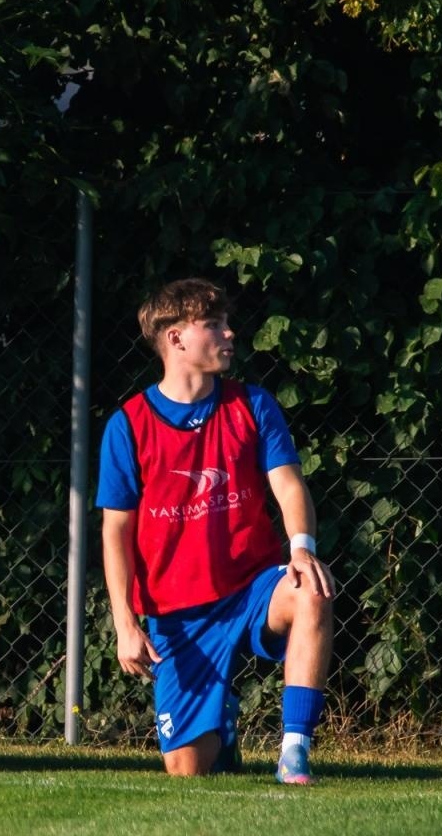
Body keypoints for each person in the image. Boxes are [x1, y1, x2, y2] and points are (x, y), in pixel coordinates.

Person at [97, 278, 335, 783]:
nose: (230, 333)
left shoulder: (252, 404)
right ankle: (222, 725)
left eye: (227, 323)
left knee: (310, 590)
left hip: (252, 586)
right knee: (187, 772)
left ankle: (295, 750)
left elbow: (289, 486)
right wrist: (124, 623)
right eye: (214, 325)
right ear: (176, 338)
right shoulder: (129, 425)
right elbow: (115, 533)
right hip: (178, 616)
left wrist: (301, 549)